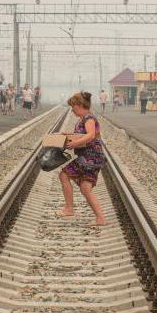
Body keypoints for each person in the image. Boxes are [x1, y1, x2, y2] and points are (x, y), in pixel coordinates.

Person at [58, 92, 107, 226]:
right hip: (92, 156)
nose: (72, 110)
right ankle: (100, 218)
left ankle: (69, 209)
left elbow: (90, 135)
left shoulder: (89, 118)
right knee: (85, 188)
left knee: (64, 175)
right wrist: (69, 135)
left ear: (79, 105)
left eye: (73, 106)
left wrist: (74, 144)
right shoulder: (83, 119)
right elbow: (82, 135)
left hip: (90, 156)